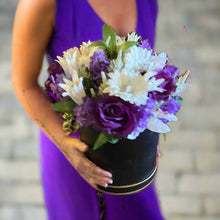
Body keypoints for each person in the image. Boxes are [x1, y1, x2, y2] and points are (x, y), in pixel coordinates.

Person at [12, 0, 164, 219]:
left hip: (130, 156)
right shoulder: (43, 3)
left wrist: (150, 131)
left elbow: (145, 70)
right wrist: (64, 142)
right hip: (74, 149)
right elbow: (24, 83)